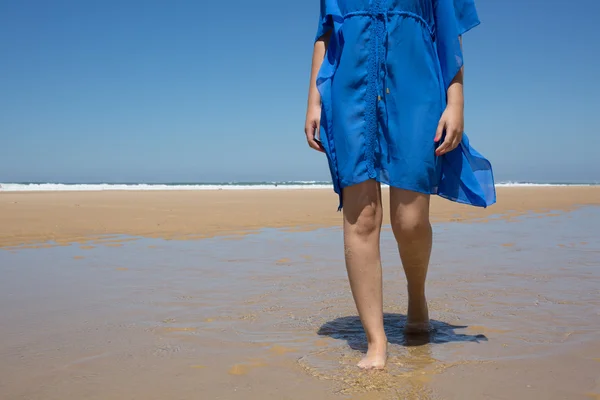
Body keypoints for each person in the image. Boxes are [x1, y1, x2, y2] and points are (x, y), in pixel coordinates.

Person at [304, 0, 496, 370]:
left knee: (410, 220)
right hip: (350, 88)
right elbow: (325, 32)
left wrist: (455, 103)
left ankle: (417, 296)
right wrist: (314, 100)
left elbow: (448, 32)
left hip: (416, 86)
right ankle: (376, 343)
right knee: (362, 216)